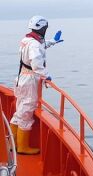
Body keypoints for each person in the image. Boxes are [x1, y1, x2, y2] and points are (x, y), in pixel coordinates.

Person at [10, 16, 63, 154]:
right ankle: (22, 147)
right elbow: (36, 64)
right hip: (29, 80)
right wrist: (46, 76)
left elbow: (41, 46)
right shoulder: (33, 44)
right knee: (26, 111)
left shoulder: (27, 40)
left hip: (22, 77)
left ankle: (13, 144)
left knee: (19, 111)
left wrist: (53, 41)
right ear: (42, 28)